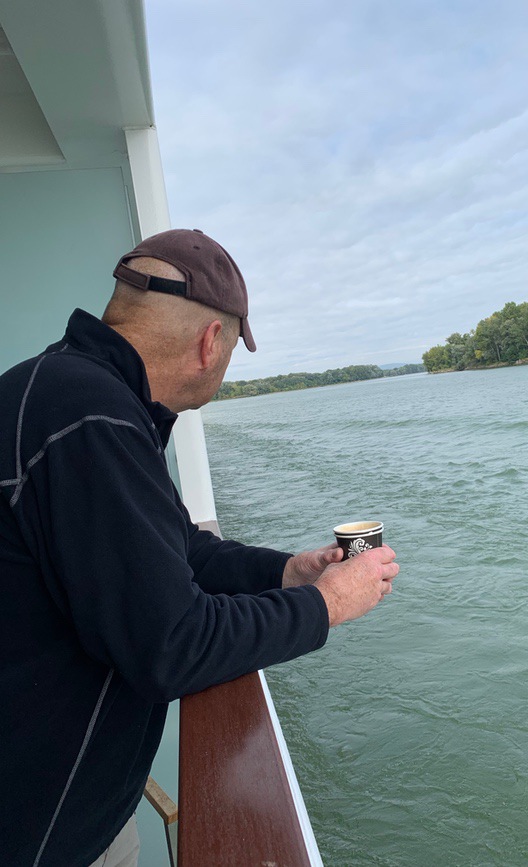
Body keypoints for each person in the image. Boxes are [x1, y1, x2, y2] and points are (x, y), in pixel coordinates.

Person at [0, 228, 399, 867]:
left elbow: (179, 549)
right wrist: (326, 605)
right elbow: (174, 645)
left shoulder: (79, 398)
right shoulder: (92, 420)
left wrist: (287, 573)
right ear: (211, 342)